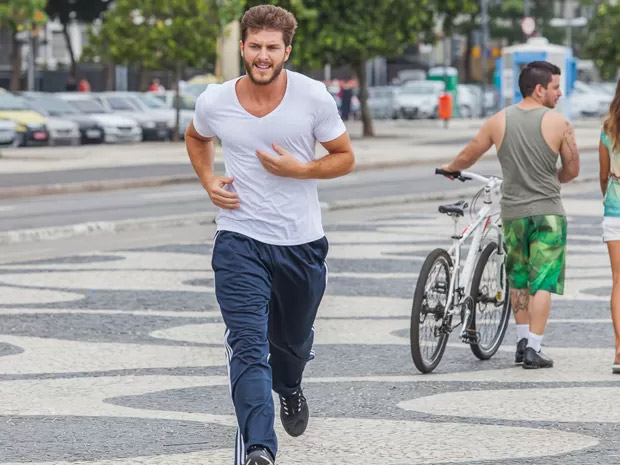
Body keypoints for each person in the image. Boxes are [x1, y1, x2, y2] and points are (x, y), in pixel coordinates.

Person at [185, 5, 354, 465]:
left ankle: (292, 384)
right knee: (248, 344)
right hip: (239, 239)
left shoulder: (312, 96)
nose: (263, 56)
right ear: (242, 47)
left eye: (272, 48)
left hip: (301, 243)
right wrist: (208, 180)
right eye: (255, 46)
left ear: (287, 51)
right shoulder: (215, 100)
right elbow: (196, 137)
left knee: (293, 343)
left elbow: (343, 157)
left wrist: (303, 168)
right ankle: (259, 448)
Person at [439, 61, 580, 369]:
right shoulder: (560, 124)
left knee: (518, 278)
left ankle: (520, 342)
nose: (559, 93)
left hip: (513, 213)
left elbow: (470, 153)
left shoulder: (498, 120)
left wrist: (452, 169)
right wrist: (554, 178)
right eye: (556, 87)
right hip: (548, 213)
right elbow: (572, 169)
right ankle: (534, 348)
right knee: (542, 281)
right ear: (540, 89)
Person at [598, 80, 620, 374]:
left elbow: (603, 176)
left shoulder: (608, 128)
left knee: (619, 282)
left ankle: (619, 350)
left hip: (615, 211)